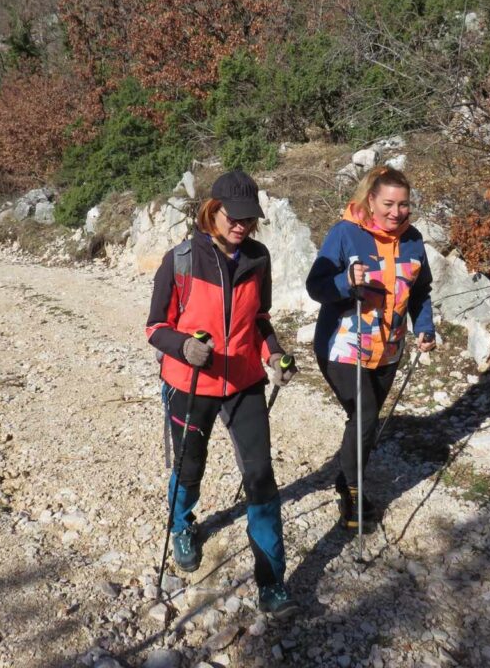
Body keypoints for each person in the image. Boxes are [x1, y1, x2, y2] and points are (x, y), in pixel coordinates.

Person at [146, 170, 299, 617]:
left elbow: (260, 320)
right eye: (234, 217)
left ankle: (272, 580)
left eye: (249, 219)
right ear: (213, 210)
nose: (242, 226)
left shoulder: (258, 258)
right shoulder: (181, 259)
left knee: (260, 477)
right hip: (190, 382)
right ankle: (182, 525)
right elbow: (155, 327)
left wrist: (275, 355)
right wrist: (183, 347)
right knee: (190, 465)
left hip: (244, 382)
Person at [305, 165, 437, 529]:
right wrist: (345, 281)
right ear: (371, 200)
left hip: (388, 348)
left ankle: (347, 476)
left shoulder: (413, 240)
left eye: (403, 205)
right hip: (343, 345)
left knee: (364, 422)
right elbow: (316, 286)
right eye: (388, 204)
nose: (396, 212)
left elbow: (420, 291)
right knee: (364, 416)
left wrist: (424, 326)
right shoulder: (346, 233)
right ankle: (353, 491)